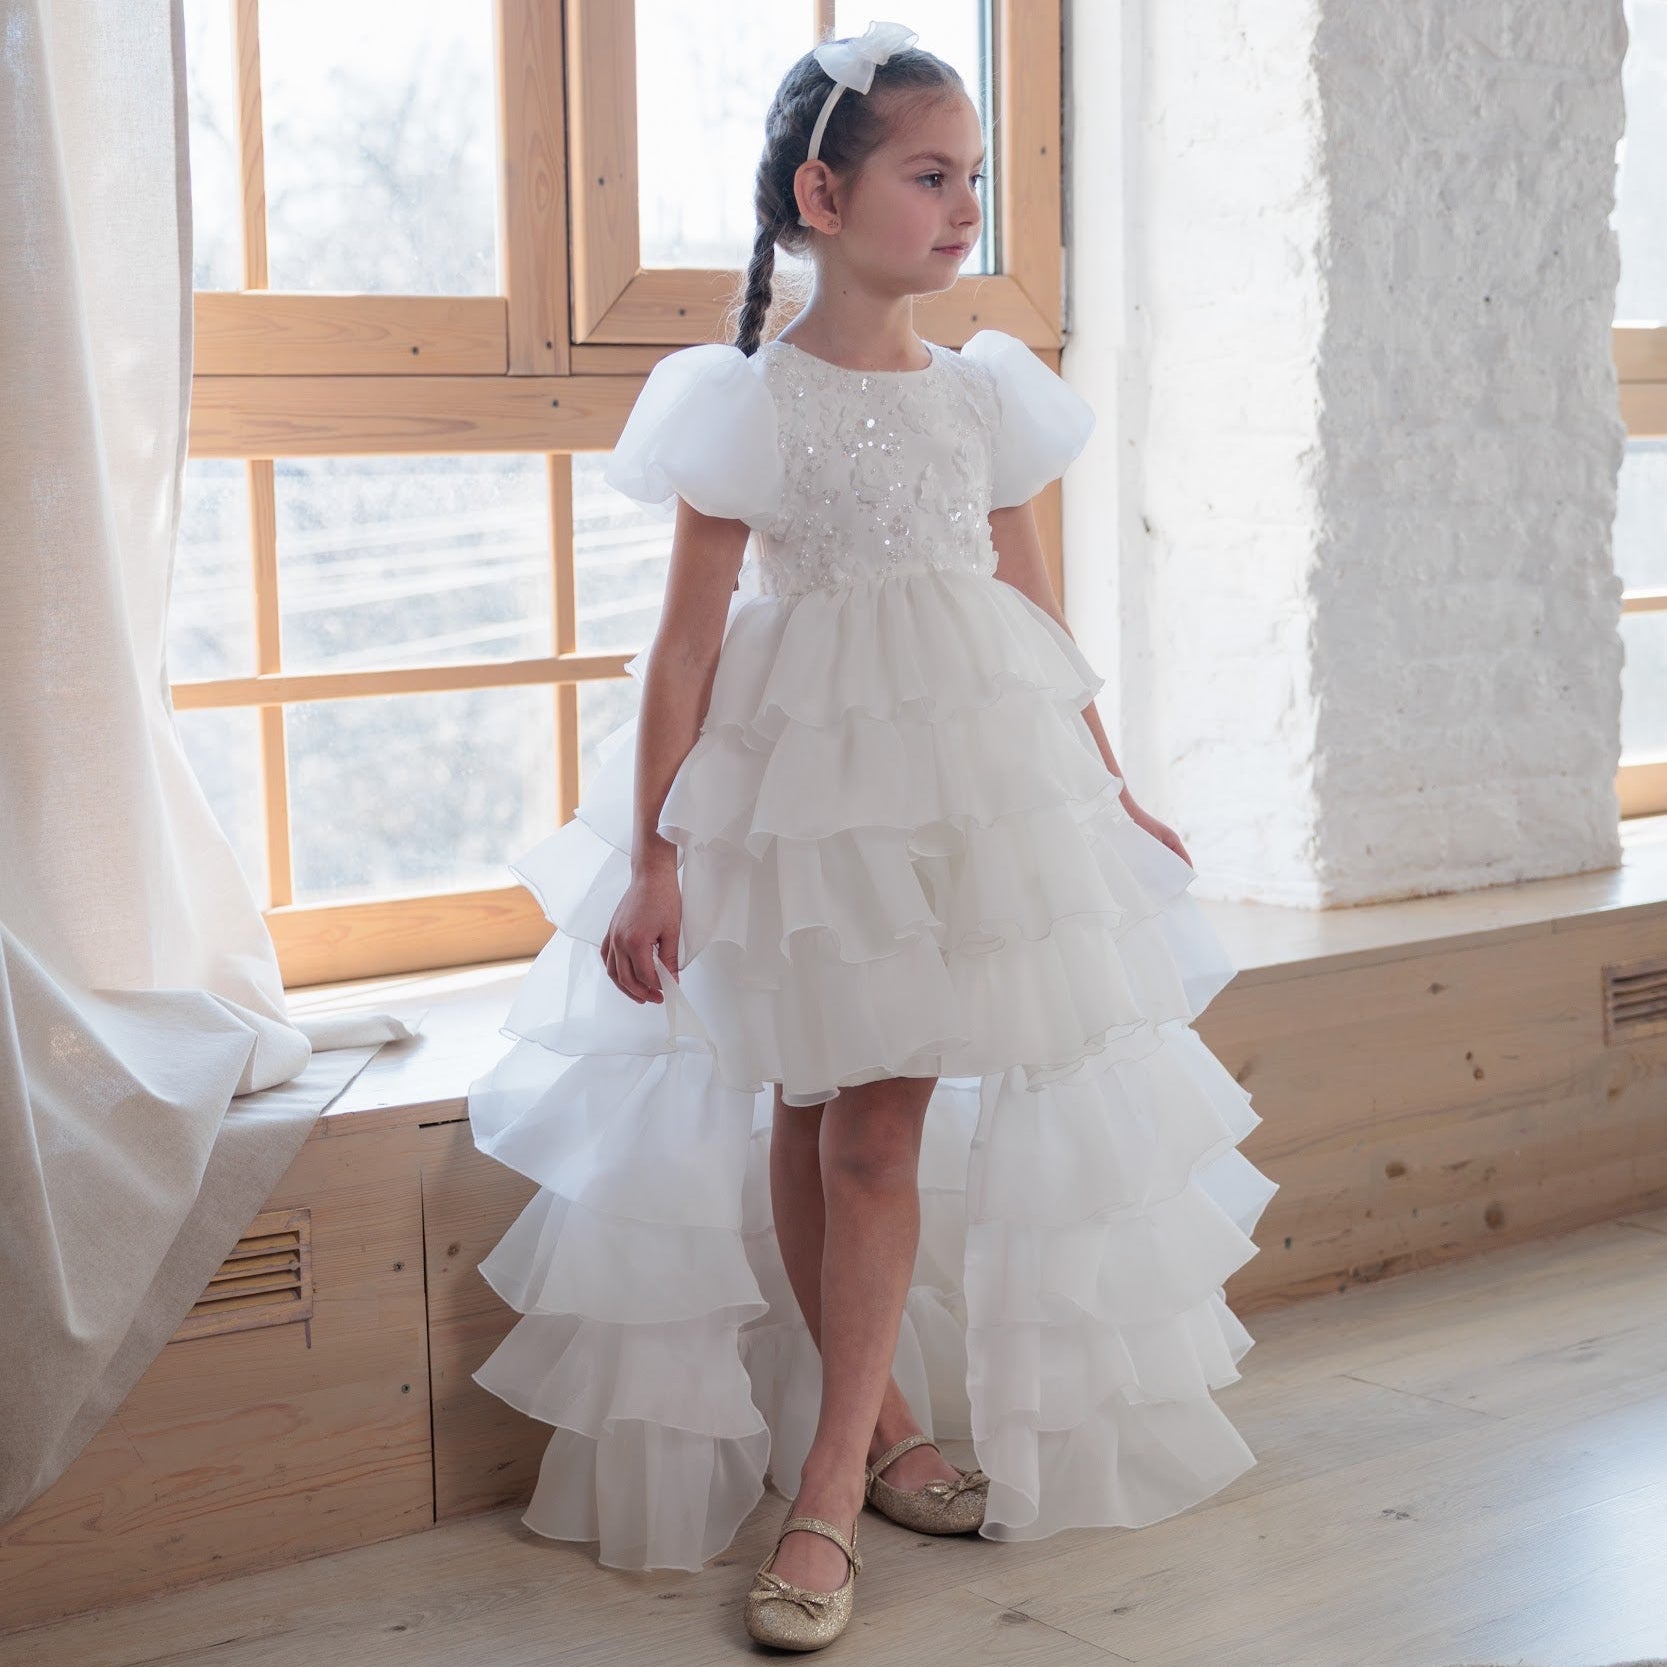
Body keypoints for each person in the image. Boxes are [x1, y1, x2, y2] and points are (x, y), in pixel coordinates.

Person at [467, 18, 1279, 1652]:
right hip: (798, 798)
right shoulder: (746, 404)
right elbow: (688, 646)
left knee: (874, 1130)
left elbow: (1030, 608)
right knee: (816, 1106)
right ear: (822, 195)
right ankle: (883, 1429)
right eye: (930, 176)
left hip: (963, 785)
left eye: (974, 176)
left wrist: (1103, 780)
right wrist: (652, 851)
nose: (964, 205)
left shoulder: (984, 398)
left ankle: (827, 1481)